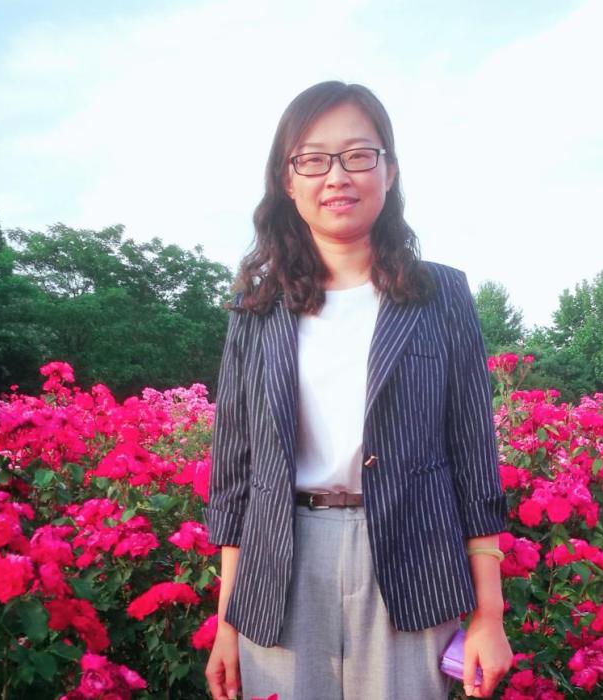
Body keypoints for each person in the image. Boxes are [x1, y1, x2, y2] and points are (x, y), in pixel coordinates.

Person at [203, 80, 513, 700]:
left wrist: (489, 614)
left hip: (411, 560)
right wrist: (227, 625)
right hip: (281, 563)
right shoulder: (256, 309)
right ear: (288, 181)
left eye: (358, 155)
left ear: (389, 171)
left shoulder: (440, 295)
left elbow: (473, 458)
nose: (337, 176)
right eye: (313, 159)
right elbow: (235, 478)